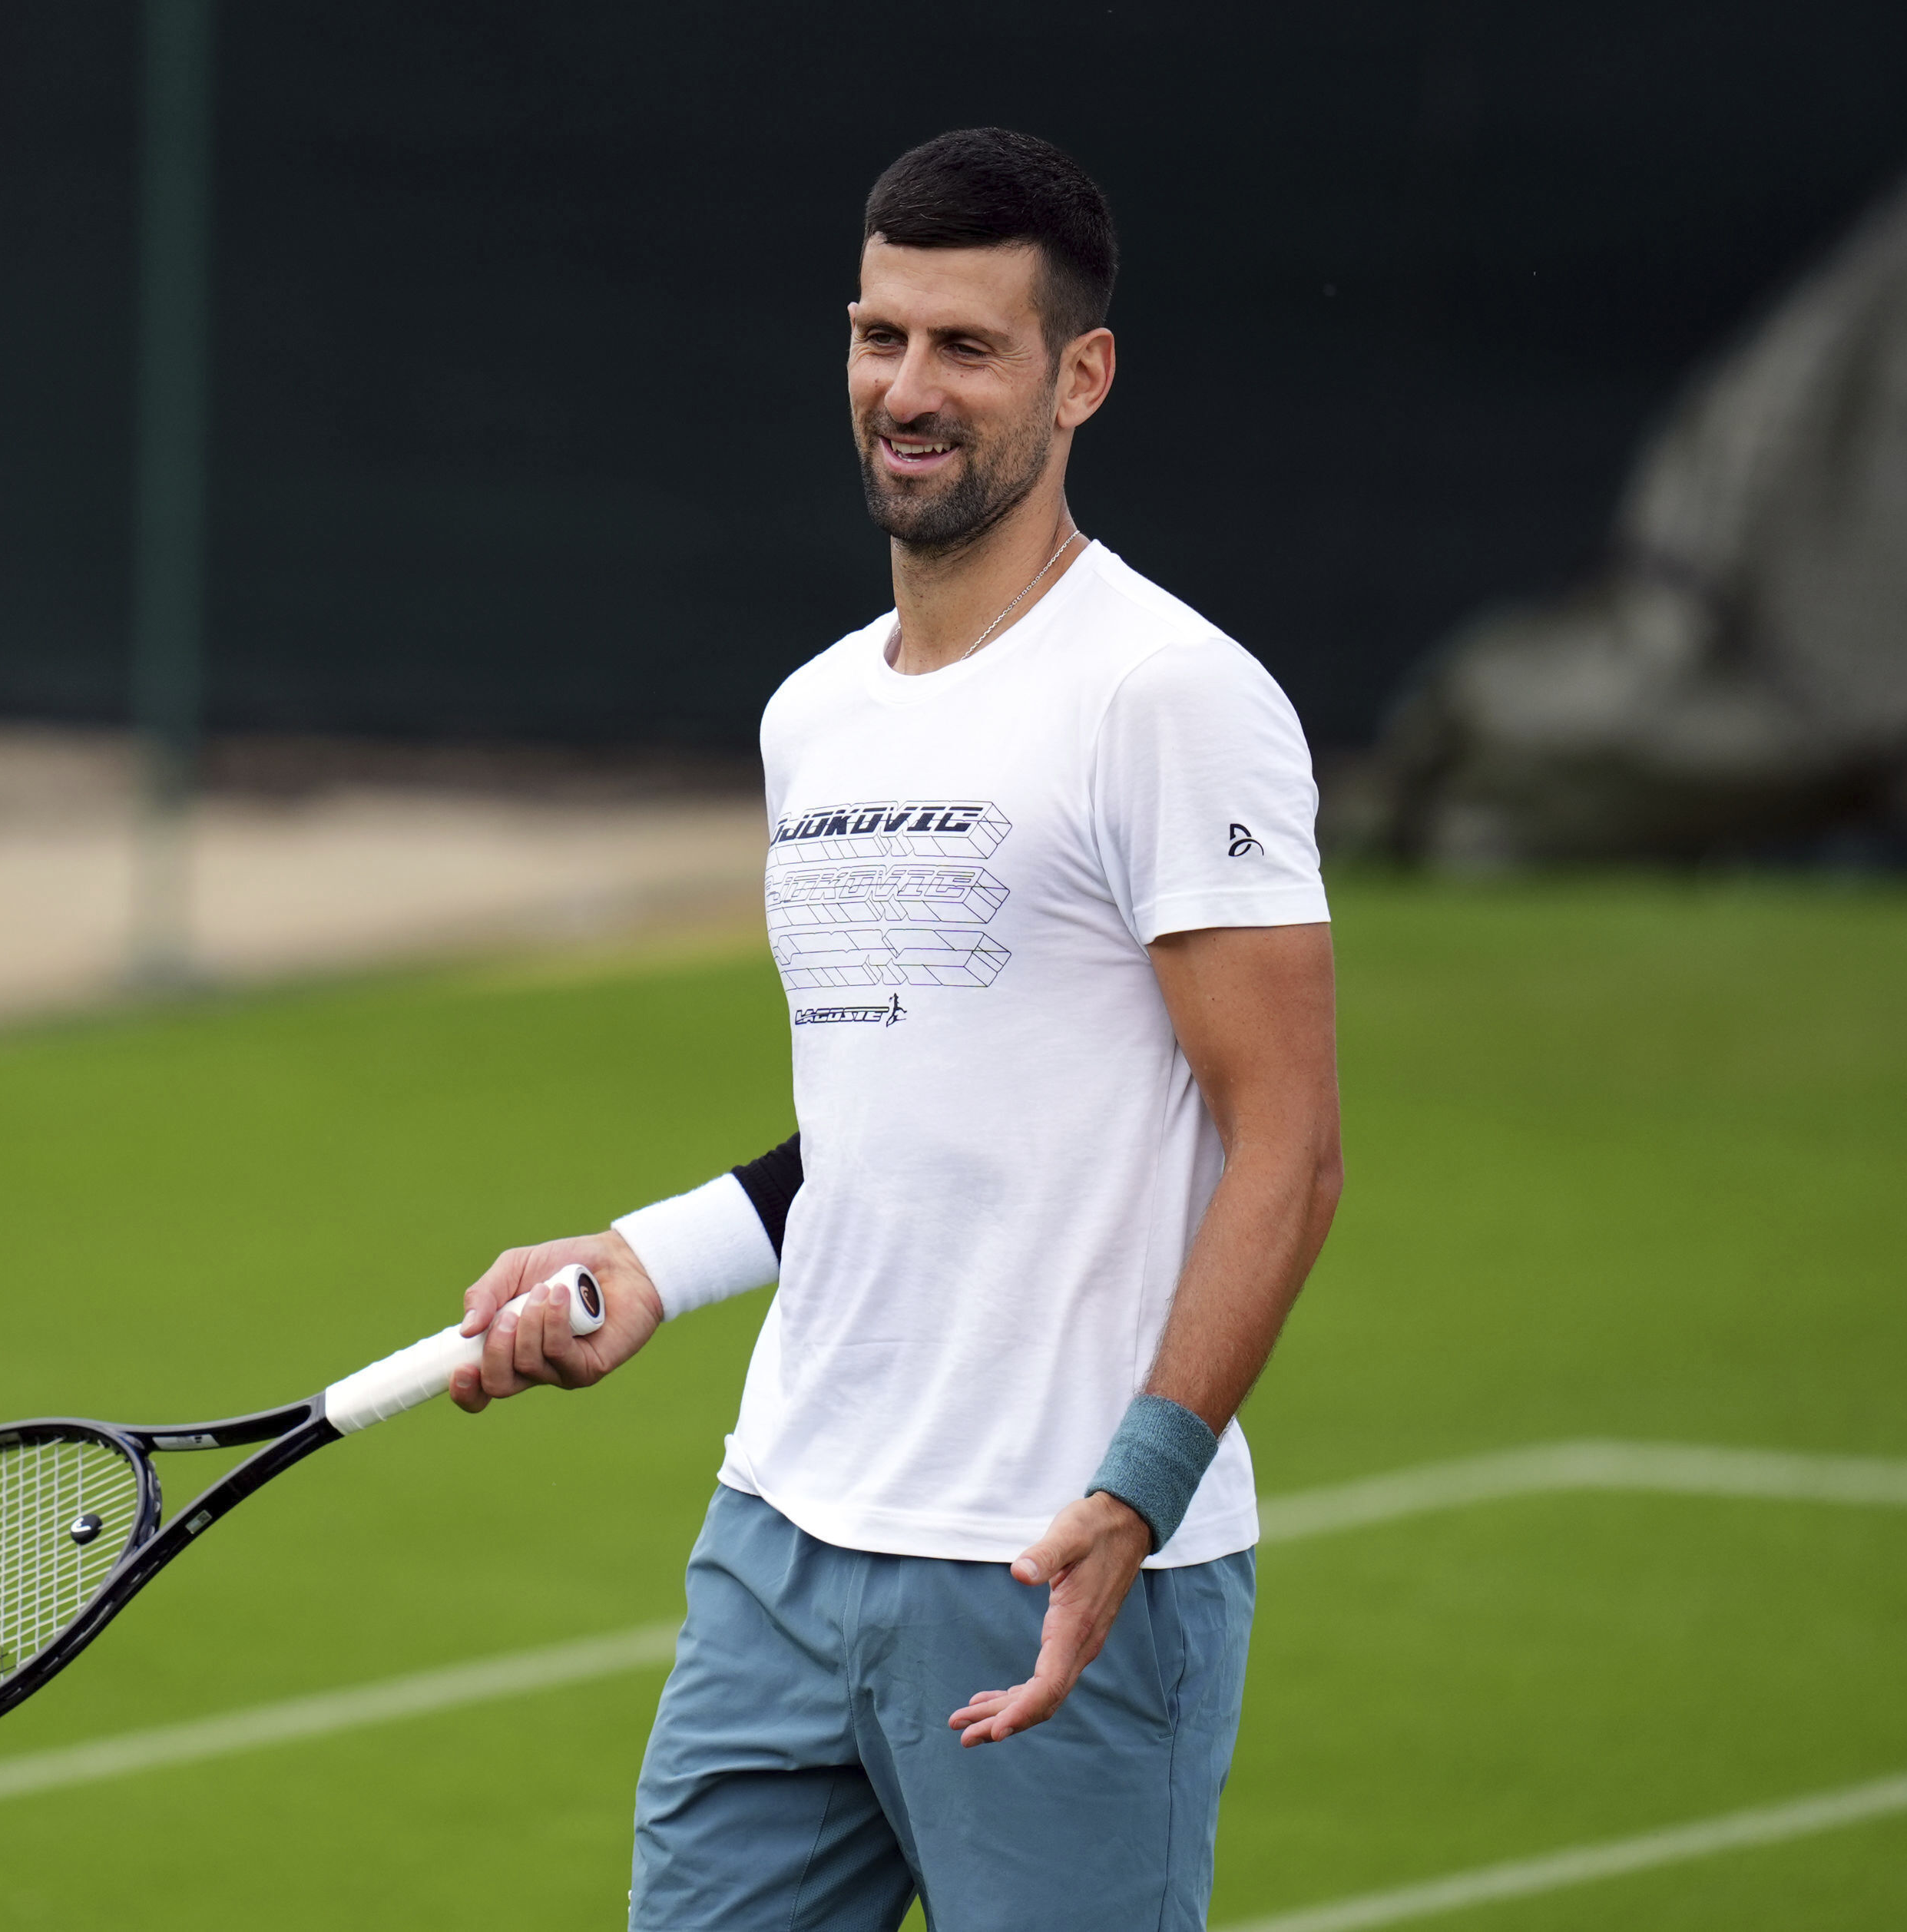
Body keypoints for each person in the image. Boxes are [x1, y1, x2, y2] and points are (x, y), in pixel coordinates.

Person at [449, 127, 1343, 1930]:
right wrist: (646, 1261)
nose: (906, 392)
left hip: (1052, 1560)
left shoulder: (1168, 697)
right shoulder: (813, 718)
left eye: (965, 347)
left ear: (1080, 375)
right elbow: (883, 1120)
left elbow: (1291, 1144)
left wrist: (1135, 1495)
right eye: (879, 338)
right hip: (780, 1541)